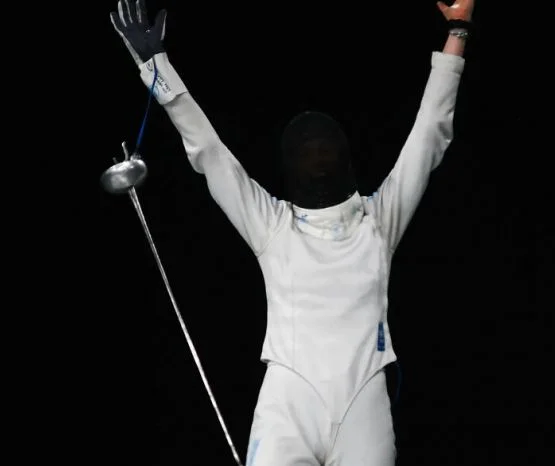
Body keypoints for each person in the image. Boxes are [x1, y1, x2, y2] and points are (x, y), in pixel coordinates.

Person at [110, 0, 474, 464]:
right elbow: (209, 151)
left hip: (361, 408)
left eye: (324, 151)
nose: (317, 159)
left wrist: (458, 31)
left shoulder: (372, 222)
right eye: (309, 153)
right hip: (290, 407)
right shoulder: (283, 224)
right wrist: (156, 68)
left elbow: (429, 134)